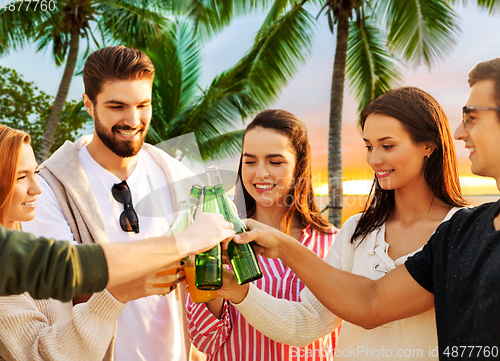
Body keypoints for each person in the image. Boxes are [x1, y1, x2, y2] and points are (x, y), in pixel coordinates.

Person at [218, 87, 473, 360]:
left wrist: (283, 246)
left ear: (428, 145)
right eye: (368, 146)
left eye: (387, 145)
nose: (374, 159)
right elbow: (306, 323)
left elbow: (371, 306)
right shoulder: (356, 230)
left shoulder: (466, 233)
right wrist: (238, 290)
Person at [21, 45, 209, 361]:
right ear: (88, 104)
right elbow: (62, 283)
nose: (133, 120)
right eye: (117, 106)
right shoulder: (50, 189)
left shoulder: (177, 177)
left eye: (143, 105)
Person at [0, 124, 233, 361]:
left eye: (35, 173)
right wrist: (115, 294)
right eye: (21, 177)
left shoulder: (30, 245)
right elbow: (41, 355)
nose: (37, 188)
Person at [186, 109, 341, 360]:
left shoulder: (335, 243)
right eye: (250, 161)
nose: (260, 173)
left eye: (275, 161)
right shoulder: (217, 238)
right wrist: (211, 277)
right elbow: (205, 341)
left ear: (299, 165)